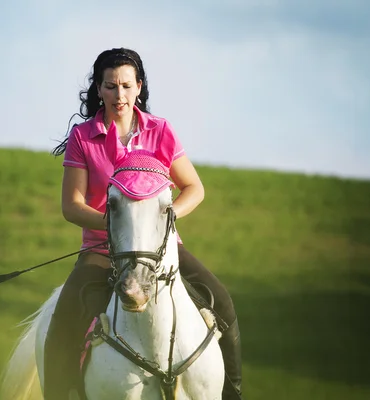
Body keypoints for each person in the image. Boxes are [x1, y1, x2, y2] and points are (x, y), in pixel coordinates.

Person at [45, 47, 243, 400]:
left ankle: (233, 393)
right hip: (102, 249)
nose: (118, 95)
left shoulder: (161, 131)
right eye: (109, 86)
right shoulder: (82, 138)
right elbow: (71, 206)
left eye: (125, 86)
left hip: (162, 249)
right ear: (99, 89)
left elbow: (194, 188)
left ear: (138, 87)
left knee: (223, 302)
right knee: (63, 318)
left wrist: (166, 219)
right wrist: (115, 224)